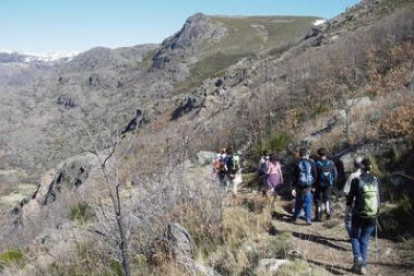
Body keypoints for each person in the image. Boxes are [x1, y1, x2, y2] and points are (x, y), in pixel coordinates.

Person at [345, 158, 380, 275]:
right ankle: (362, 267)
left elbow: (349, 200)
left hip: (358, 215)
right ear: (370, 168)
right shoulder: (376, 180)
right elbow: (379, 199)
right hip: (372, 216)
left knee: (354, 237)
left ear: (361, 167)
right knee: (364, 240)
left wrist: (346, 213)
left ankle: (358, 257)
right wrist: (377, 213)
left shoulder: (356, 180)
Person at [292, 148, 317, 225]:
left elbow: (294, 176)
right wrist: (314, 186)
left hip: (299, 186)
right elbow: (315, 175)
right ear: (306, 154)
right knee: (308, 203)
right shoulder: (312, 163)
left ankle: (295, 217)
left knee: (298, 202)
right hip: (309, 186)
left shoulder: (296, 163)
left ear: (299, 154)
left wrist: (293, 187)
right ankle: (308, 219)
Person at [315, 148, 338, 221]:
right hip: (329, 184)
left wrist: (314, 185)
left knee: (319, 199)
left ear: (318, 154)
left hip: (319, 184)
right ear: (326, 154)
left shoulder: (317, 163)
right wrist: (333, 182)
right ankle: (328, 212)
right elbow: (335, 174)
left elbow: (315, 175)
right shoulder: (331, 163)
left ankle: (318, 216)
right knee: (327, 198)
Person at [343, 156, 364, 237]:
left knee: (348, 221)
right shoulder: (369, 176)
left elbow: (346, 191)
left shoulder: (352, 176)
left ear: (354, 165)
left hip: (353, 203)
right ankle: (359, 237)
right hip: (366, 203)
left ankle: (354, 238)